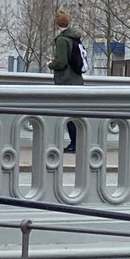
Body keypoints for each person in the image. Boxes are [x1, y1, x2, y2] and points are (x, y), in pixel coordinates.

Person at [48, 9, 85, 153]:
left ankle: (74, 143)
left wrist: (51, 64)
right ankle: (77, 141)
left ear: (56, 23)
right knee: (75, 114)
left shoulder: (62, 40)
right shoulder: (75, 37)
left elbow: (61, 62)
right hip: (77, 79)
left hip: (66, 80)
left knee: (68, 113)